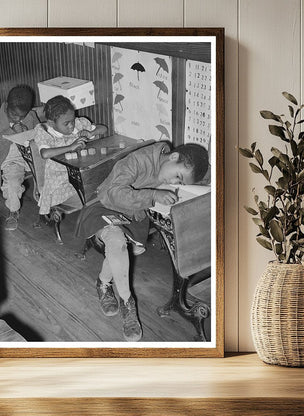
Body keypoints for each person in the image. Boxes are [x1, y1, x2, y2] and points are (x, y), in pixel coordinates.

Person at [75, 141, 209, 342]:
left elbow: (198, 173)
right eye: (177, 177)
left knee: (118, 246)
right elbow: (114, 193)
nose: (174, 181)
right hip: (105, 205)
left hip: (133, 213)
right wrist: (154, 194)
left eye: (179, 182)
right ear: (173, 157)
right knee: (116, 240)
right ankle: (128, 304)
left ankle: (103, 283)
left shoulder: (170, 163)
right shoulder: (138, 161)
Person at [34, 95, 107, 216]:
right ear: (52, 123)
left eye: (72, 121)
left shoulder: (79, 124)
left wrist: (91, 132)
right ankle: (92, 223)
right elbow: (45, 153)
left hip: (84, 175)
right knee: (94, 198)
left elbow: (103, 129)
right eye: (66, 123)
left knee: (105, 189)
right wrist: (70, 147)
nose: (71, 126)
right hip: (61, 182)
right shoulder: (44, 131)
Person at [0, 85, 40, 231]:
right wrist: (10, 132)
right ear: (7, 105)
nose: (18, 119)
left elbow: (40, 135)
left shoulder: (31, 116)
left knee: (52, 167)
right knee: (13, 183)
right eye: (14, 114)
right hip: (7, 159)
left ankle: (49, 203)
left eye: (22, 116)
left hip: (29, 155)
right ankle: (13, 211)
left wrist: (29, 133)